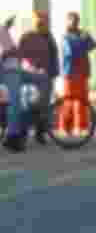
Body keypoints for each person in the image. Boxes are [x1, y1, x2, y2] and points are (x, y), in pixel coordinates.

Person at [17, 11, 59, 145]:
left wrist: (54, 72)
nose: (41, 24)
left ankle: (39, 133)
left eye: (44, 21)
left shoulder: (49, 37)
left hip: (46, 75)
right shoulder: (27, 37)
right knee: (28, 104)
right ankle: (23, 134)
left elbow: (54, 55)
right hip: (30, 75)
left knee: (43, 106)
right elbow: (19, 55)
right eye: (39, 21)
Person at [58, 12, 96, 135]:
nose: (75, 23)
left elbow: (93, 45)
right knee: (68, 101)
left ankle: (80, 126)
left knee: (82, 101)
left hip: (83, 72)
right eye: (72, 20)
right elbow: (71, 52)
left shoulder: (82, 34)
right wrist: (83, 41)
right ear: (67, 21)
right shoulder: (65, 37)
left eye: (76, 20)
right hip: (70, 73)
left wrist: (86, 38)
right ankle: (65, 127)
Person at [0, 15, 30, 152]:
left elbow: (11, 52)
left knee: (41, 79)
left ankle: (20, 130)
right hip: (9, 70)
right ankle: (12, 136)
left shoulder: (3, 32)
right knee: (14, 101)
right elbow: (9, 53)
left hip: (14, 69)